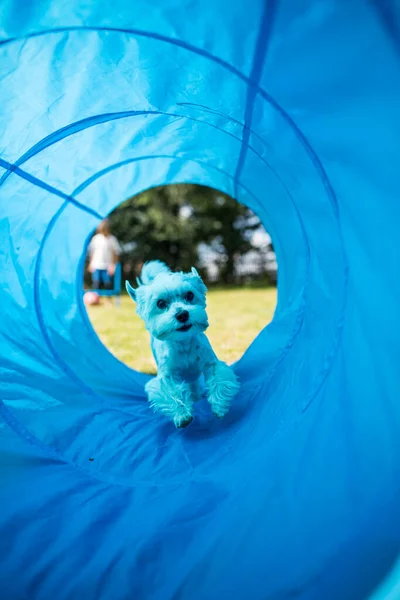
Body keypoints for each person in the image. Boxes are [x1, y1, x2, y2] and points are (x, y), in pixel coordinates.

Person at [88, 219, 121, 291]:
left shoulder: (112, 239)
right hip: (96, 265)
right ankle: (97, 297)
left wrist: (113, 265)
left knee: (107, 283)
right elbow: (92, 252)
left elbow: (116, 253)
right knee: (96, 282)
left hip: (108, 265)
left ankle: (108, 299)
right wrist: (91, 264)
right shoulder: (96, 239)